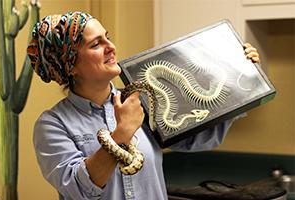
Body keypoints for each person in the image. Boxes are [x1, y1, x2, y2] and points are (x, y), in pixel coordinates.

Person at [27, 11, 260, 200]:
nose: (111, 47)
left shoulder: (143, 99)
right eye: (96, 44)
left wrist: (241, 74)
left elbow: (198, 140)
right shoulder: (53, 125)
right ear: (71, 66)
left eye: (107, 37)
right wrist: (123, 132)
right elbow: (78, 189)